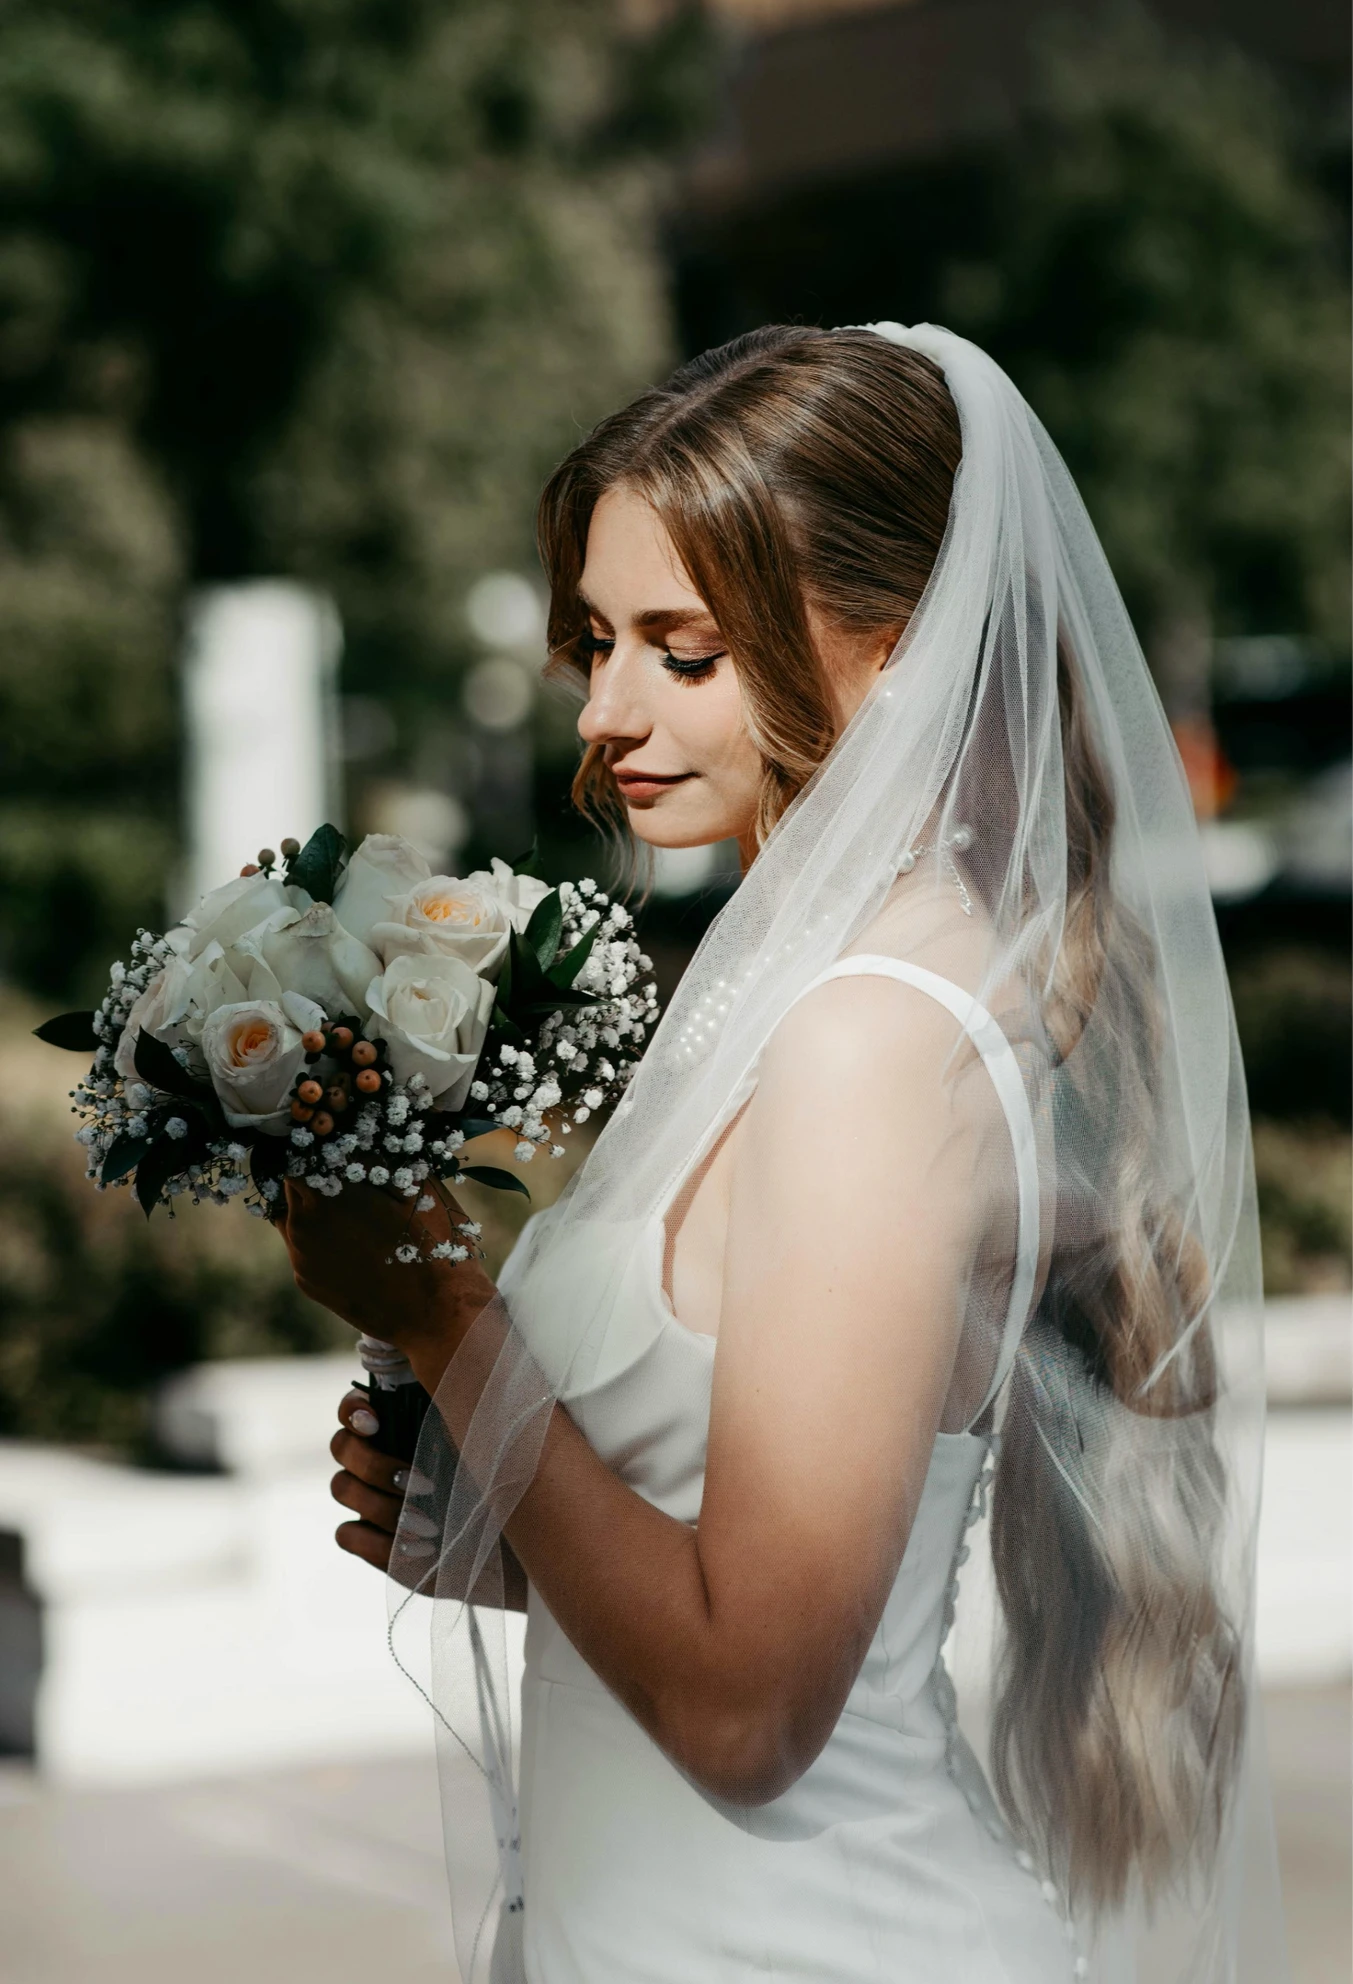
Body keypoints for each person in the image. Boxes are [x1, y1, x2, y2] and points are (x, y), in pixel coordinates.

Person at [279, 325, 1277, 1983]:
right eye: (598, 640)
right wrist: (507, 1532)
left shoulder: (869, 1036)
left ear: (891, 651)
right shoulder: (804, 973)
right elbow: (769, 1599)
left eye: (686, 652)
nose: (604, 711)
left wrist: (449, 1316)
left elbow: (752, 1712)